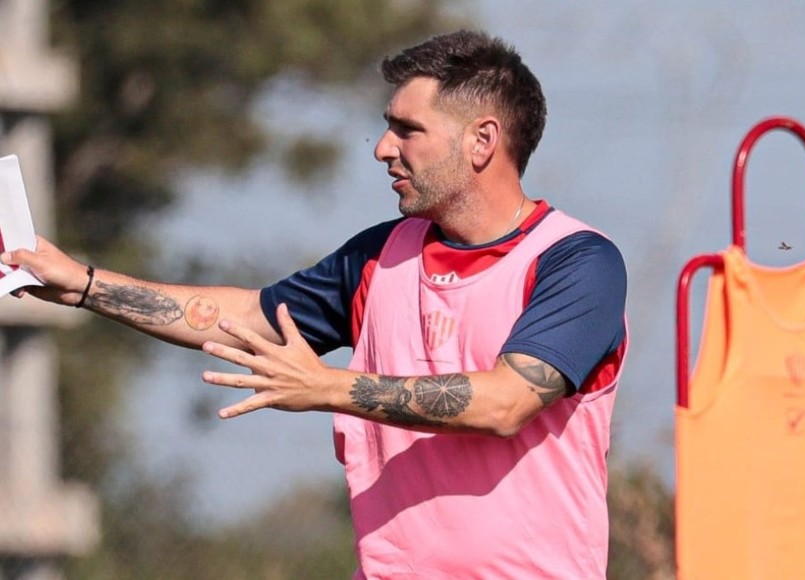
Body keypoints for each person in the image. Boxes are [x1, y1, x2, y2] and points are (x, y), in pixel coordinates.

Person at [2, 30, 627, 578]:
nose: (383, 147)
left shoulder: (578, 263)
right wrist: (83, 285)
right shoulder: (379, 256)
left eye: (407, 129)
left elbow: (505, 402)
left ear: (482, 140)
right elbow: (247, 318)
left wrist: (329, 387)